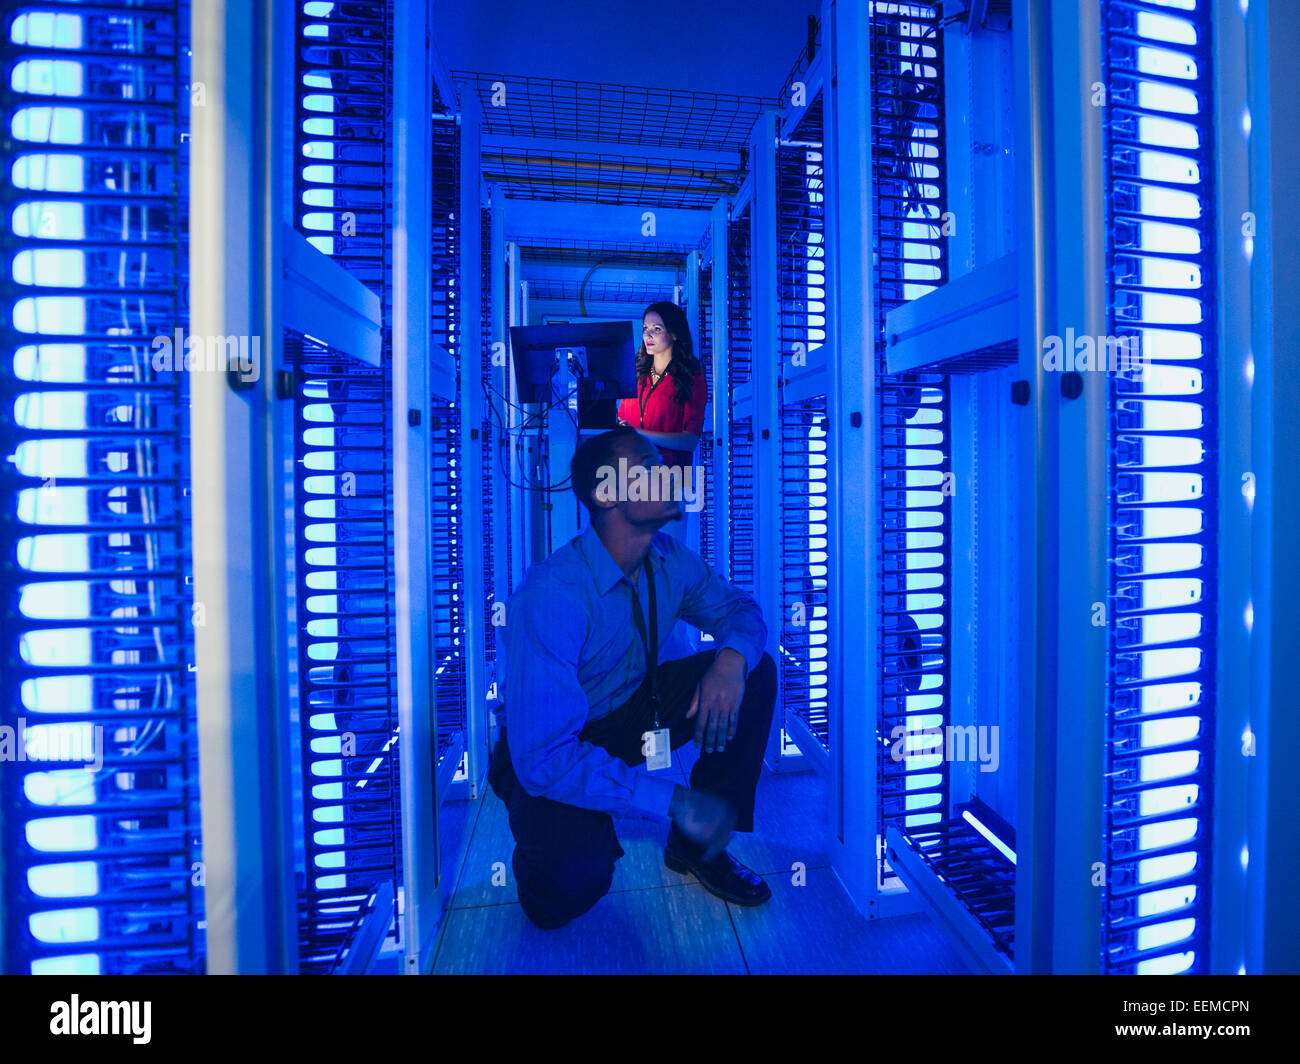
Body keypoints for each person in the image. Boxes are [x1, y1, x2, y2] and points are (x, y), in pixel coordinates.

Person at [490, 426, 777, 931]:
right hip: (549, 747)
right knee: (572, 881)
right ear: (606, 493)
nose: (668, 475)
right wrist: (673, 799)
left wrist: (730, 661)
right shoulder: (551, 594)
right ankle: (539, 844)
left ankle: (697, 850)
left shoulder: (669, 557)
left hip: (631, 713)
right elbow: (545, 758)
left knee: (754, 673)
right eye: (648, 467)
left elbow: (740, 611)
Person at [616, 301, 707, 547]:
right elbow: (622, 420)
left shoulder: (691, 376)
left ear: (674, 334)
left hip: (671, 481)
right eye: (646, 328)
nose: (648, 334)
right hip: (630, 479)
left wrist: (638, 434)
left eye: (656, 328)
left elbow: (689, 440)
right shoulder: (636, 374)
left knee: (664, 564)